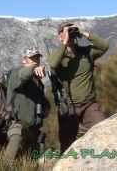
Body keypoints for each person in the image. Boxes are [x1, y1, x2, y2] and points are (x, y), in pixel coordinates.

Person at [47, 21, 109, 153]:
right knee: (67, 145)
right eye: (65, 31)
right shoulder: (59, 56)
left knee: (104, 131)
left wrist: (83, 33)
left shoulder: (86, 52)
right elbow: (52, 64)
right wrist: (65, 43)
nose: (70, 33)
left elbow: (105, 46)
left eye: (71, 31)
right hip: (69, 108)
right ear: (59, 36)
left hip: (89, 105)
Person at [4, 48, 49, 160]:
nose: (36, 61)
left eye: (37, 58)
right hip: (18, 126)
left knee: (34, 162)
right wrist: (33, 67)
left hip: (34, 129)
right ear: (24, 60)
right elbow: (24, 75)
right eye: (32, 58)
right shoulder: (16, 73)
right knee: (10, 159)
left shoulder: (38, 82)